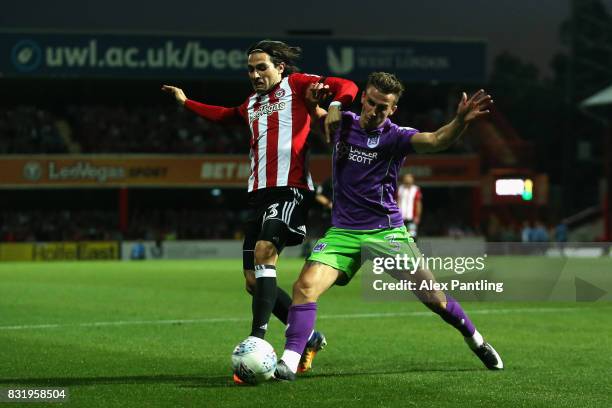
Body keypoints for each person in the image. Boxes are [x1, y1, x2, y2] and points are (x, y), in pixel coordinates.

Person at [274, 72, 503, 380]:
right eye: (371, 103)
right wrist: (317, 103)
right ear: (363, 99)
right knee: (304, 287)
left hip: (387, 231)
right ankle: (288, 362)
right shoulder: (342, 123)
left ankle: (476, 340)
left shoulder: (396, 136)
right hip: (343, 232)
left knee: (434, 299)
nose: (375, 111)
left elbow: (436, 140)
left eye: (383, 107)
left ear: (393, 110)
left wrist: (460, 120)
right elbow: (306, 110)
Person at [162, 40, 358, 380]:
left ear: (280, 67)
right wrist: (186, 101)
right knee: (253, 282)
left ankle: (258, 339)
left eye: (261, 67)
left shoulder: (297, 86)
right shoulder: (251, 104)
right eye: (250, 69)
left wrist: (338, 104)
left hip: (291, 189)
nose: (255, 74)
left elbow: (347, 85)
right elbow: (223, 115)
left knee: (266, 251)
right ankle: (310, 337)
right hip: (258, 195)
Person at [397, 173, 422, 241]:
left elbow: (418, 204)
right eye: (406, 181)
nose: (407, 183)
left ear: (412, 181)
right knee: (401, 236)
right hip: (401, 218)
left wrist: (417, 216)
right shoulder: (400, 189)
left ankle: (412, 250)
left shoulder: (416, 190)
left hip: (412, 218)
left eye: (409, 181)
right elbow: (397, 201)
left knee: (412, 235)